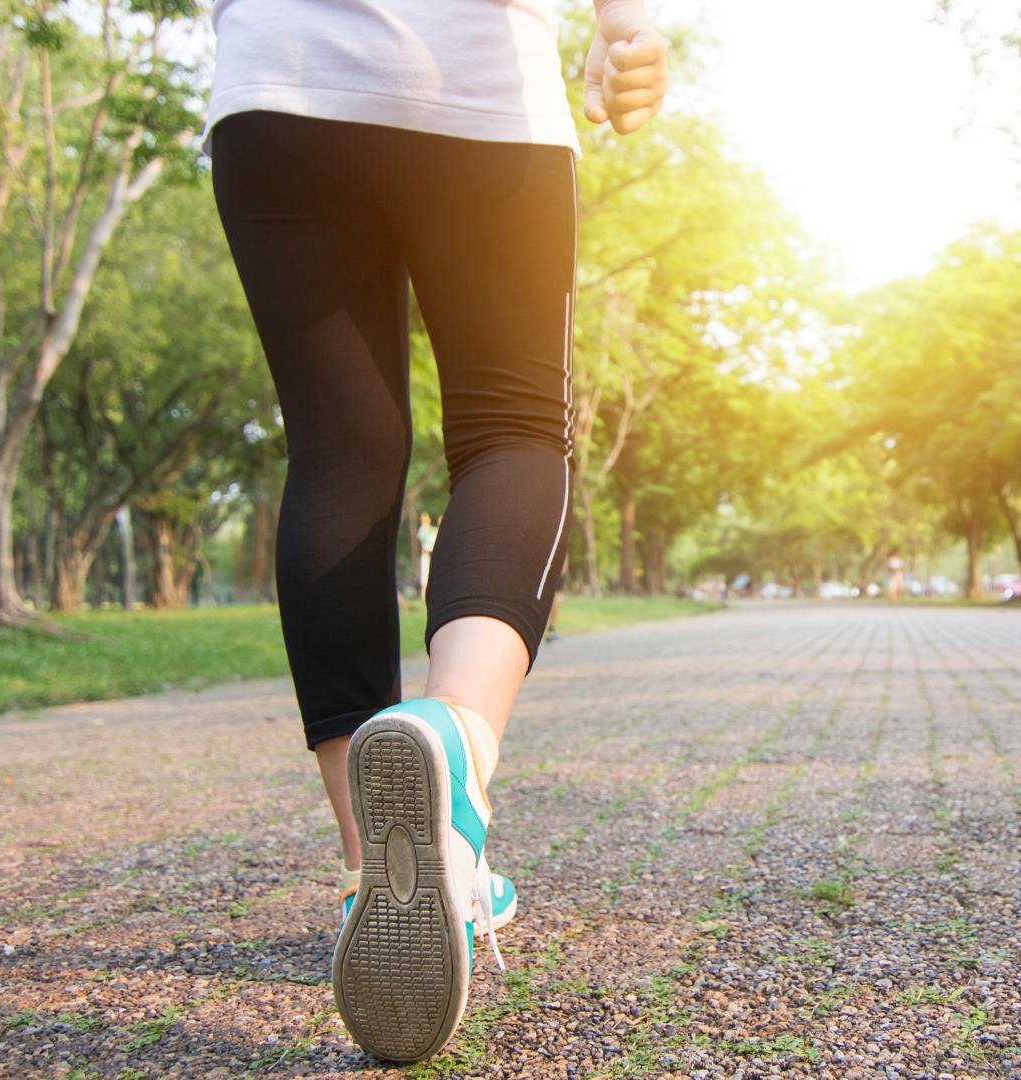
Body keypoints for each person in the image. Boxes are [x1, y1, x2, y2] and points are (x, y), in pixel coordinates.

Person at [205, 0, 668, 1063]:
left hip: (277, 84)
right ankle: (457, 735)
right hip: (474, 86)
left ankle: (385, 869)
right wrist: (627, 20)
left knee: (339, 449)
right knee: (513, 431)